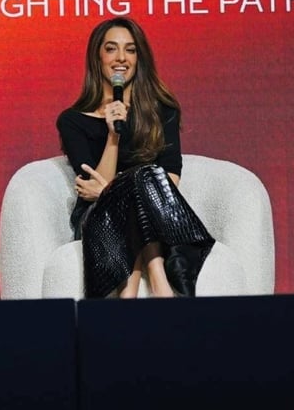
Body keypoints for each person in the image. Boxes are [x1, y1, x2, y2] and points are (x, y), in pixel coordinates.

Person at [56, 16, 215, 298]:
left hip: (155, 211)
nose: (121, 58)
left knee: (145, 176)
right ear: (97, 57)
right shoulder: (72, 121)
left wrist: (112, 190)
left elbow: (169, 180)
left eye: (130, 50)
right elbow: (93, 184)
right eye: (111, 49)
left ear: (139, 58)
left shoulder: (163, 111)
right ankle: (161, 285)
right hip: (99, 218)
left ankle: (130, 296)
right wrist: (113, 136)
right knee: (140, 184)